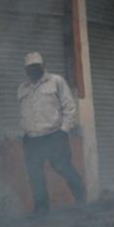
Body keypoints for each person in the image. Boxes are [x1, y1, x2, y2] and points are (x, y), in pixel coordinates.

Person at [17, 52, 86, 215]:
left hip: (54, 135)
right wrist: (25, 132)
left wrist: (63, 131)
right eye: (30, 68)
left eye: (36, 67)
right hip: (32, 139)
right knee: (35, 174)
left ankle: (82, 201)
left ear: (43, 66)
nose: (33, 70)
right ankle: (42, 209)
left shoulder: (56, 81)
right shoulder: (22, 88)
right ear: (25, 70)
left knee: (63, 167)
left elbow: (70, 108)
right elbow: (23, 113)